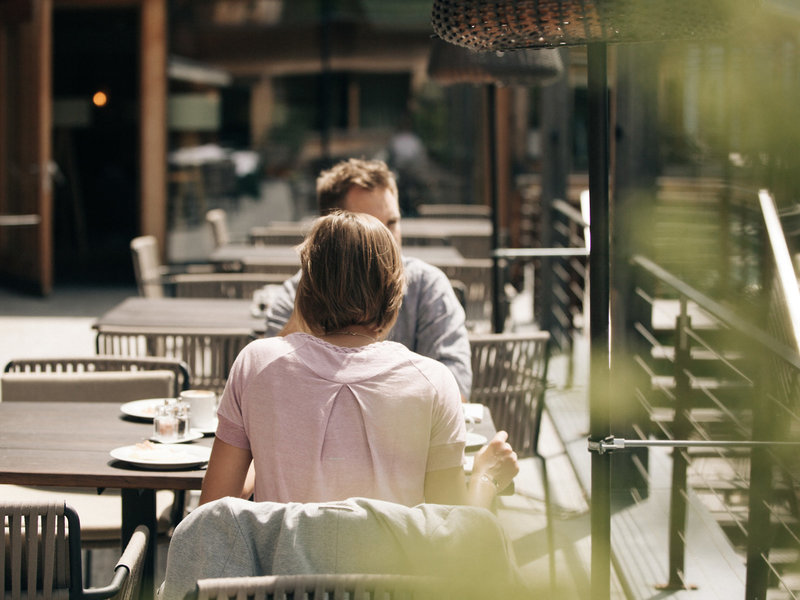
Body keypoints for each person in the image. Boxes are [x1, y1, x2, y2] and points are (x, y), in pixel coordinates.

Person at [200, 211, 517, 509]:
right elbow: (454, 535)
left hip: (276, 568)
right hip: (393, 570)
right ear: (394, 296)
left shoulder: (256, 365)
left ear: (306, 291)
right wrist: (486, 477)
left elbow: (212, 512)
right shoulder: (433, 382)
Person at [263, 158, 472, 399]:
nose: (388, 241)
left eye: (392, 224)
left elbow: (457, 385)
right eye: (369, 228)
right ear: (331, 233)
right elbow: (272, 382)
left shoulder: (427, 286)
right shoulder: (294, 295)